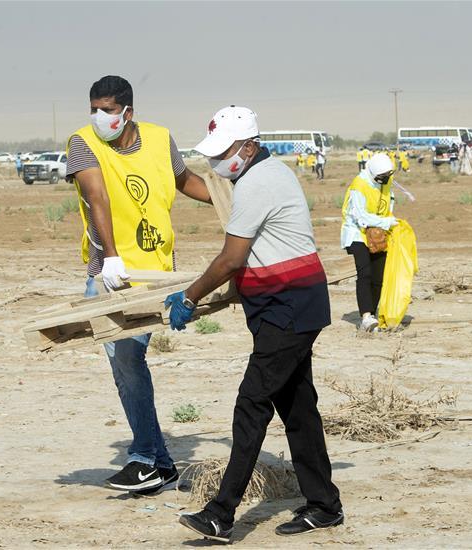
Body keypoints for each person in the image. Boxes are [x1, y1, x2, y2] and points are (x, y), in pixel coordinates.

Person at [173, 105, 342, 543]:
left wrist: (190, 296)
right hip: (291, 305)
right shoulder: (266, 173)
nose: (216, 163)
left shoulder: (257, 182)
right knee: (298, 409)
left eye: (224, 153)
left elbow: (232, 257)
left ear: (249, 146)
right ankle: (324, 505)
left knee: (252, 405)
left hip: (288, 307)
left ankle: (221, 513)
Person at [65, 75, 212, 494]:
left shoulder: (159, 138)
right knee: (127, 363)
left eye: (108, 110)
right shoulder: (82, 143)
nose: (99, 117)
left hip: (157, 270)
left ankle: (151, 460)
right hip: (112, 272)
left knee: (129, 363)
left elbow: (185, 181)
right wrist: (111, 256)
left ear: (128, 111)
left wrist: (229, 198)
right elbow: (98, 198)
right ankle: (152, 460)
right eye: (94, 108)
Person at [340, 152, 398, 332]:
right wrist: (385, 222)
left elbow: (388, 205)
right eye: (381, 177)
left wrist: (387, 225)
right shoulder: (359, 185)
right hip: (357, 233)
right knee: (365, 273)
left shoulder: (386, 182)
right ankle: (365, 316)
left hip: (378, 234)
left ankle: (372, 313)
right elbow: (360, 217)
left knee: (378, 276)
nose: (385, 180)